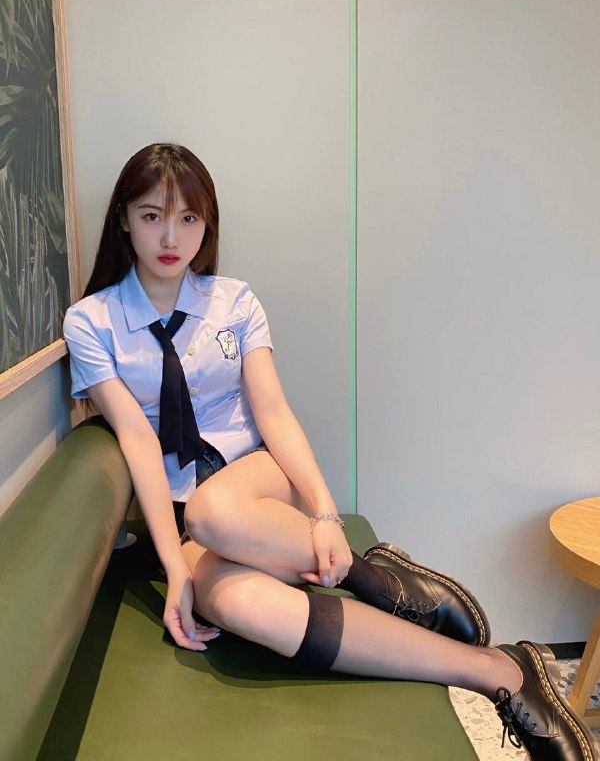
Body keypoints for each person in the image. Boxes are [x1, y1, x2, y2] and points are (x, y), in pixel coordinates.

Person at [63, 143, 597, 761]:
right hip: (182, 514)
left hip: (259, 481)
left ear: (207, 225)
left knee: (217, 510)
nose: (169, 236)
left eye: (188, 218)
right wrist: (177, 570)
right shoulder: (92, 322)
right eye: (152, 215)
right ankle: (501, 673)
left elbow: (273, 413)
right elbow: (137, 441)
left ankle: (375, 578)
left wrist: (323, 514)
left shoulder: (233, 302)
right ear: (123, 219)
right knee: (241, 604)